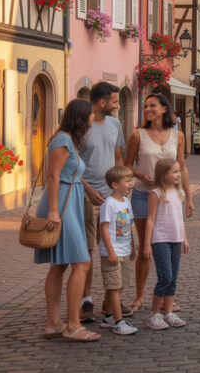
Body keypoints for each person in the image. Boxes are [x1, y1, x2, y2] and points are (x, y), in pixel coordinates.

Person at [123, 93, 194, 315]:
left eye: (152, 105)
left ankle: (165, 297)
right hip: (144, 196)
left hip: (171, 197)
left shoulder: (178, 136)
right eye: (145, 106)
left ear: (164, 109)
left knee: (170, 246)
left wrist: (188, 197)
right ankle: (139, 296)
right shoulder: (138, 135)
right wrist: (141, 175)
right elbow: (127, 166)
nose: (147, 109)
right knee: (146, 250)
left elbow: (181, 167)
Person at [36, 99, 100, 342]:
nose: (93, 119)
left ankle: (53, 323)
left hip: (69, 199)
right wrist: (53, 211)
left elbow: (69, 172)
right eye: (91, 115)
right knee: (81, 263)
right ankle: (72, 325)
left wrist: (89, 190)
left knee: (60, 265)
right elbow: (52, 176)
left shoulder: (69, 140)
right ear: (81, 117)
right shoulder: (63, 139)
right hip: (61, 204)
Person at [78, 82, 125, 324]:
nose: (117, 106)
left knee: (113, 250)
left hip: (111, 199)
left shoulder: (115, 124)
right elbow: (73, 161)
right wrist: (88, 188)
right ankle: (86, 301)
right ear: (102, 102)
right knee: (87, 251)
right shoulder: (82, 125)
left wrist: (121, 192)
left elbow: (118, 158)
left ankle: (111, 300)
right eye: (115, 102)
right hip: (87, 198)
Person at [143, 158, 190, 330]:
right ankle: (154, 314)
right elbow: (150, 219)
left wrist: (184, 237)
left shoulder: (179, 193)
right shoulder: (156, 193)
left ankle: (169, 312)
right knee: (165, 277)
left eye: (179, 171)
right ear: (164, 174)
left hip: (176, 238)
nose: (179, 175)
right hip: (160, 239)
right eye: (175, 172)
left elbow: (180, 218)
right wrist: (147, 244)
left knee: (173, 279)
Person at [97, 166, 138, 335]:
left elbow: (129, 225)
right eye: (127, 181)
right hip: (112, 252)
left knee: (119, 284)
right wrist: (111, 251)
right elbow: (104, 229)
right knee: (114, 287)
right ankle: (118, 322)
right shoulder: (109, 204)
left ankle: (108, 315)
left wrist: (132, 246)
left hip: (124, 249)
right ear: (115, 185)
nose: (131, 183)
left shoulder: (126, 202)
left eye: (131, 180)